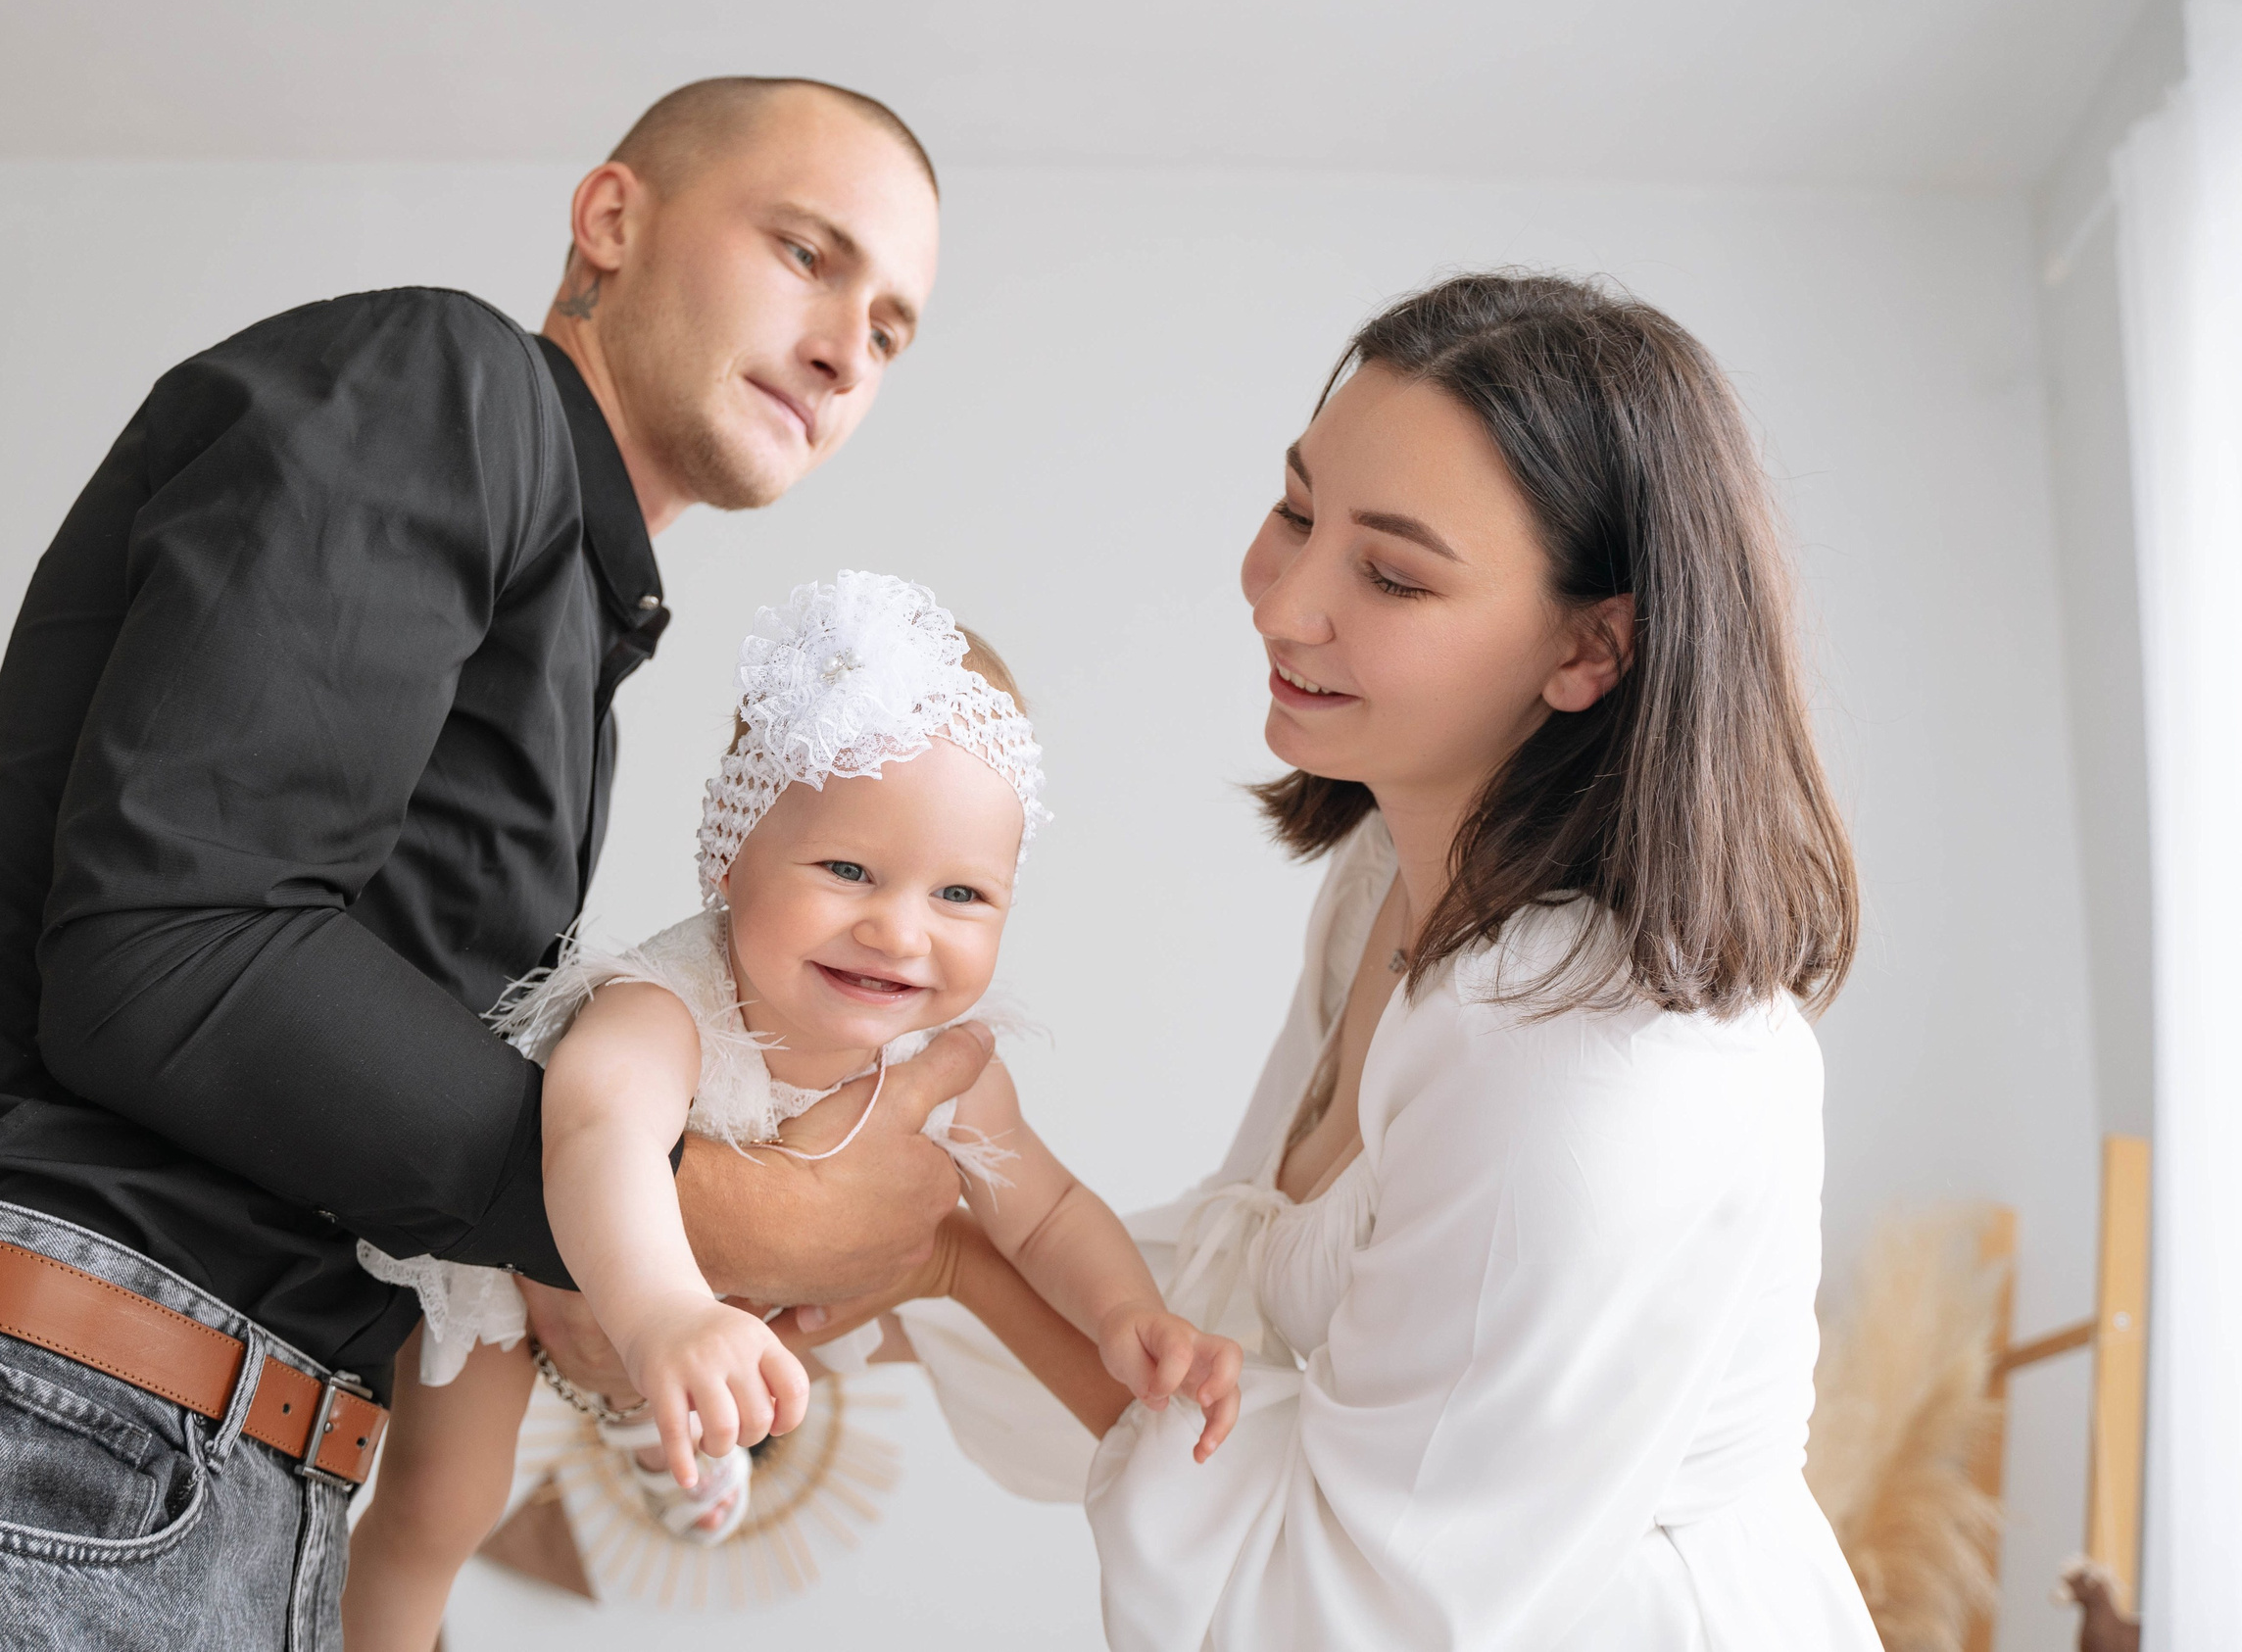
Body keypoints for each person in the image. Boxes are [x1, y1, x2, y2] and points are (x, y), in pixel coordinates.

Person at [0, 78, 964, 1650]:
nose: (849, 342)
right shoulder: (448, 385)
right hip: (35, 1420)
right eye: (808, 252)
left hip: (196, 1469)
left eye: (894, 328)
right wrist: (672, 1213)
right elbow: (176, 949)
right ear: (611, 220)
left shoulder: (573, 616)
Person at [800, 271, 1883, 1649]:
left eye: (1390, 572)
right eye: (1298, 510)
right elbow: (1233, 1294)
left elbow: (1338, 1600)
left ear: (1591, 644)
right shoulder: (1391, 877)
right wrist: (880, 1270)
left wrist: (945, 1264)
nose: (1283, 600)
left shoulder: (1582, 1062)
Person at [342, 572, 1241, 1650]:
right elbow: (596, 1135)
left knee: (767, 1347)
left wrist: (1124, 1314)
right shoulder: (665, 1004)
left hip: (727, 1309)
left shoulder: (938, 1061)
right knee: (440, 1509)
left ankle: (669, 1424)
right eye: (849, 870)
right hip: (531, 1281)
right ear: (731, 857)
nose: (899, 933)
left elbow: (1043, 1215)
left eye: (960, 894)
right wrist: (666, 1314)